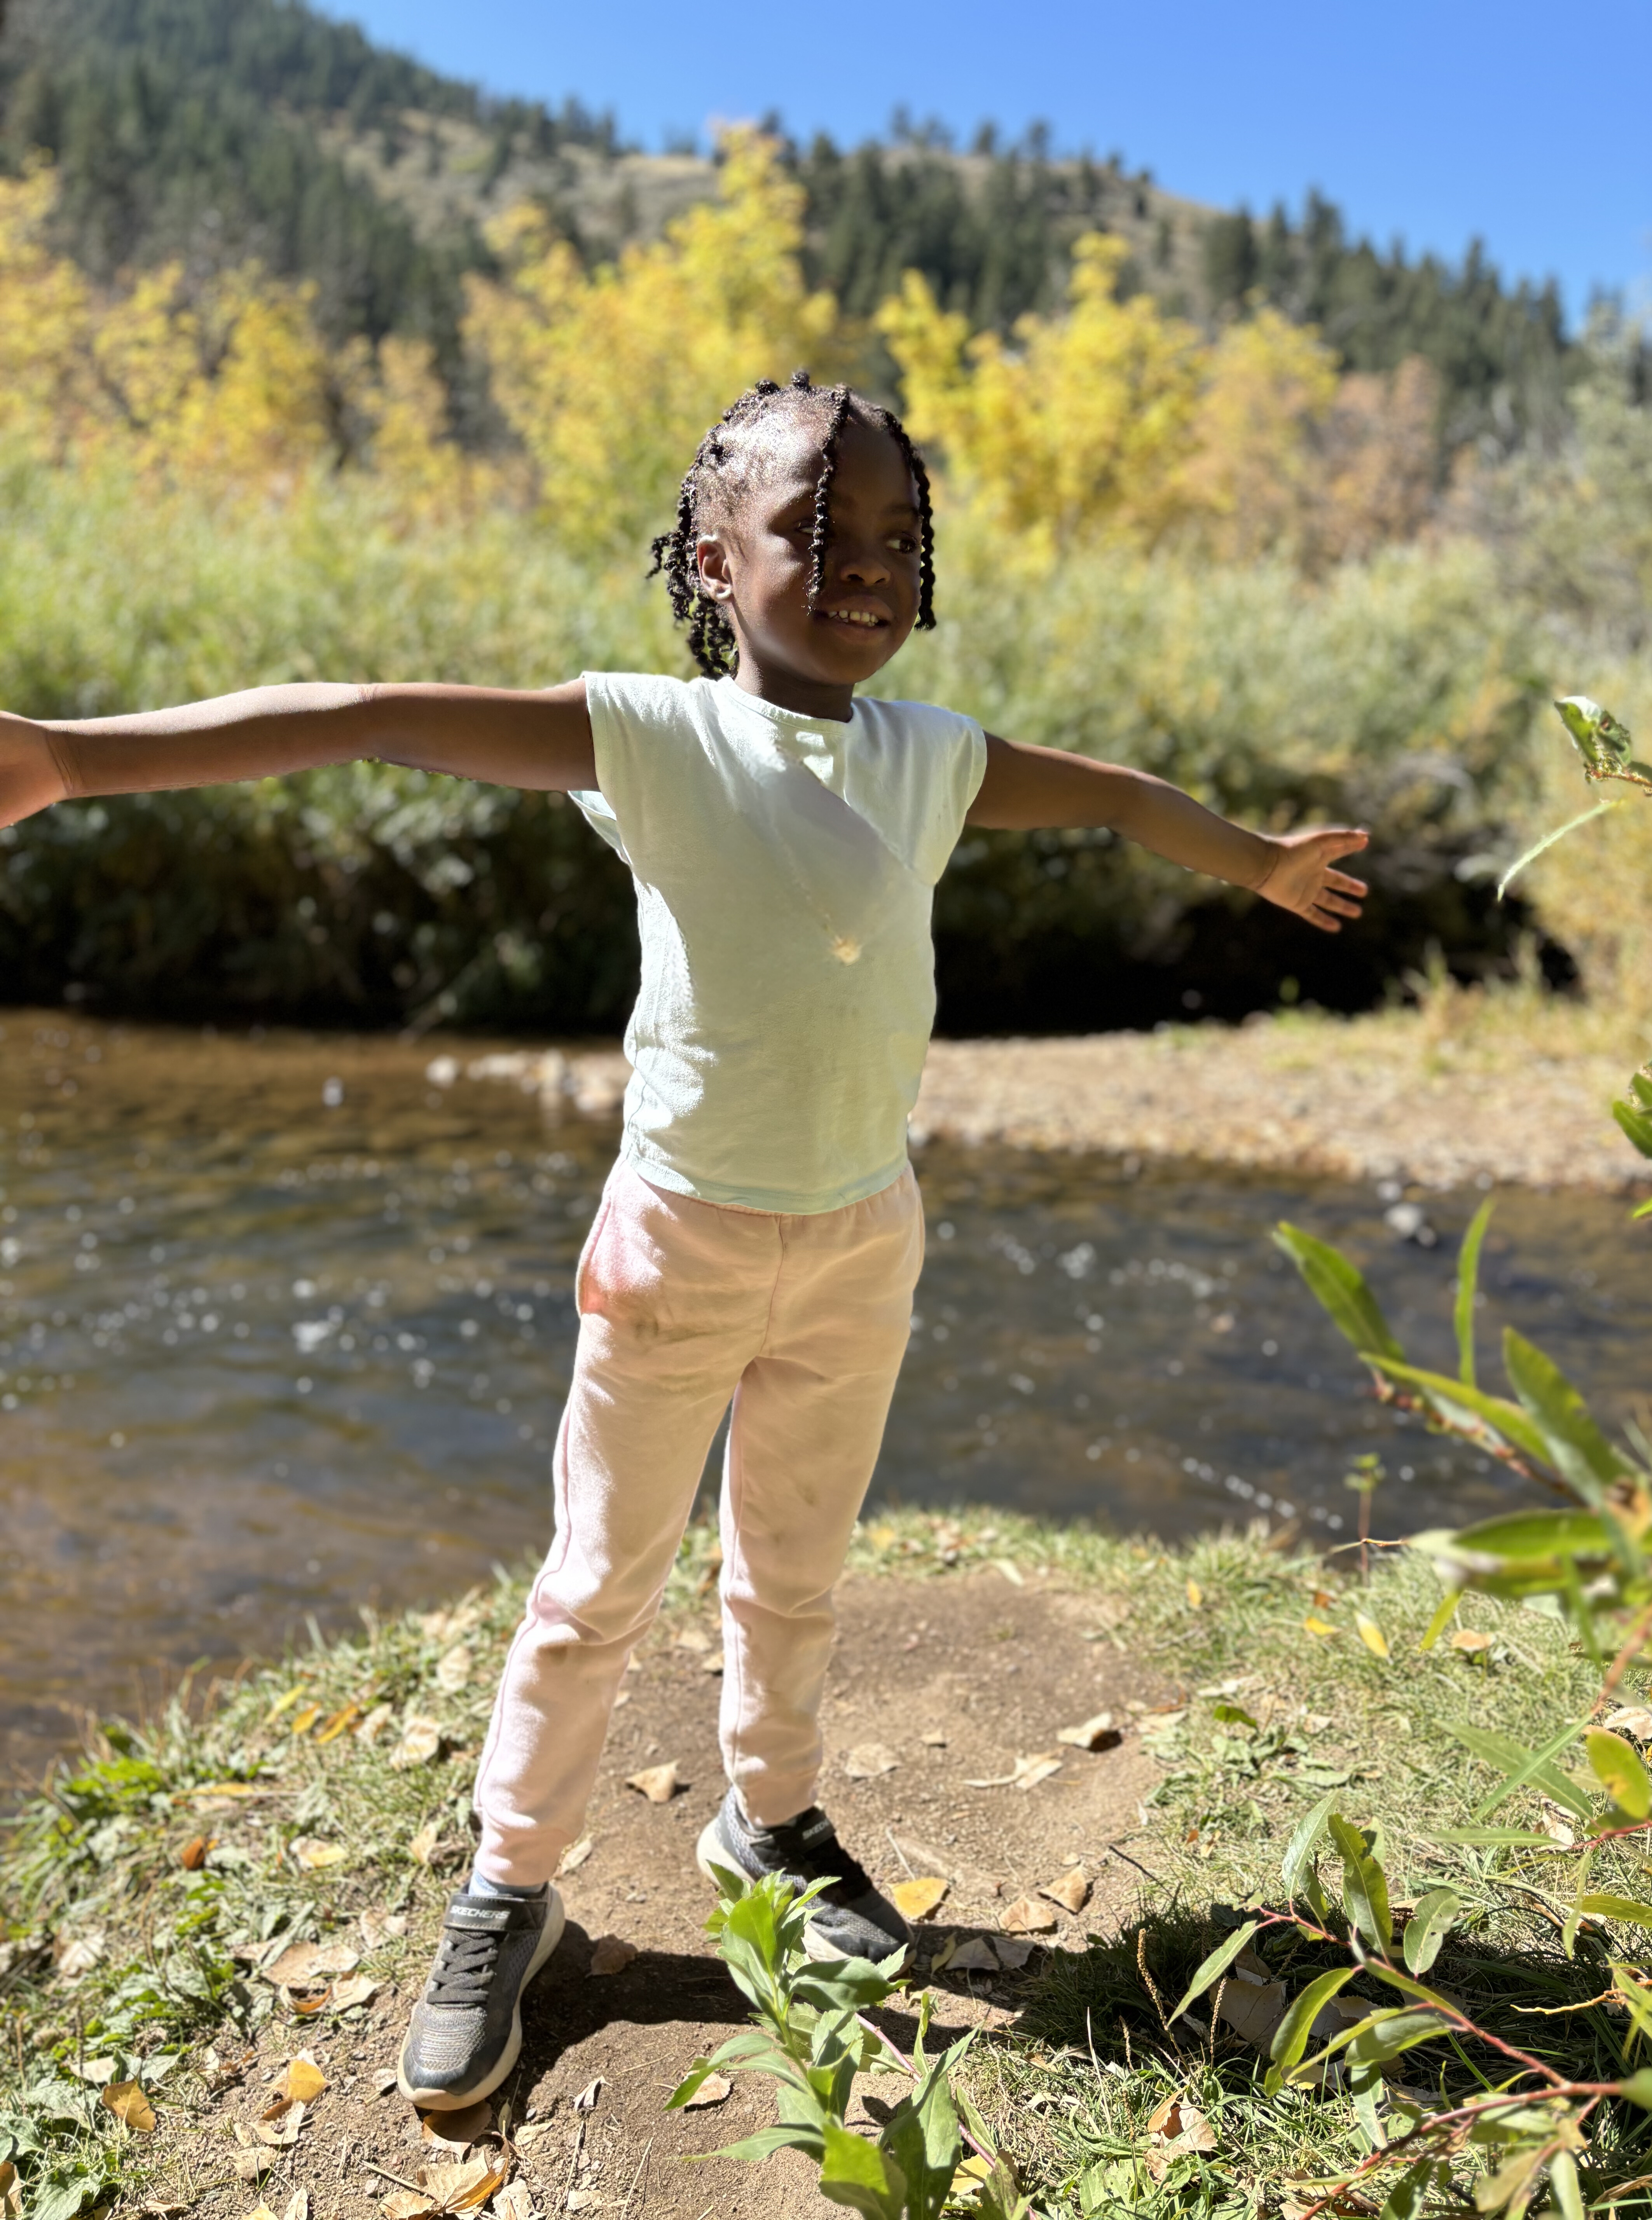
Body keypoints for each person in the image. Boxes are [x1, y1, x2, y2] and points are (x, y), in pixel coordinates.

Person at [0, 371, 1369, 2109]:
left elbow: (1109, 793)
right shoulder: (652, 734)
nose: (865, 559)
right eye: (816, 526)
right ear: (717, 560)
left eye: (897, 534)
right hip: (678, 1243)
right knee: (593, 1589)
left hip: (864, 1239)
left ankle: (771, 1821)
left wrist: (1251, 859)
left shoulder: (933, 758)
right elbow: (358, 720)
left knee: (792, 1569)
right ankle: (513, 1892)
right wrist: (60, 759)